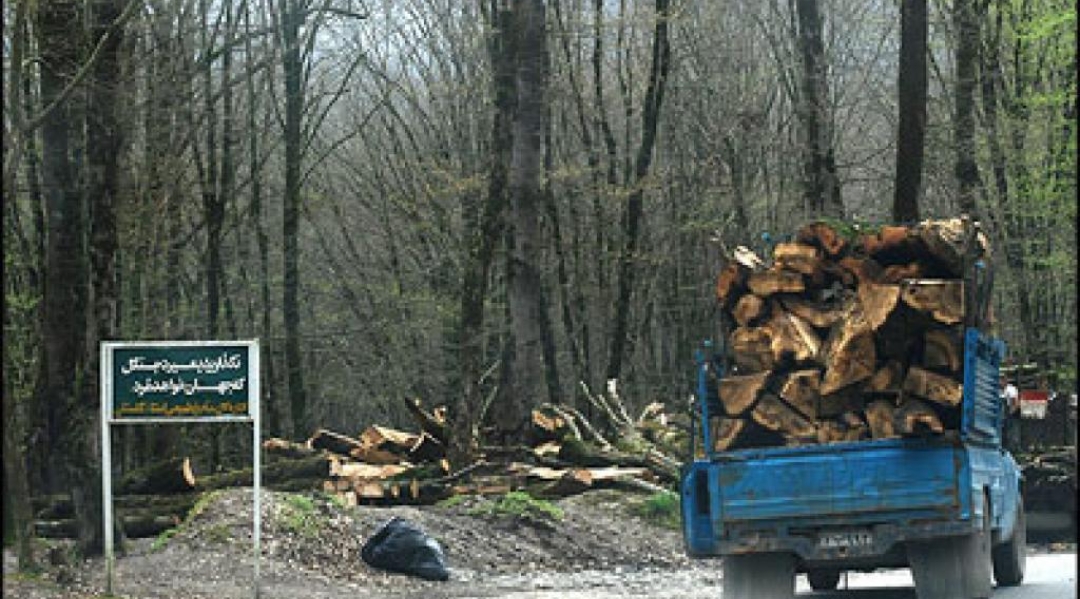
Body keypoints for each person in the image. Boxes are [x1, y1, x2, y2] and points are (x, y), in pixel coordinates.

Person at [1000, 375, 1020, 450]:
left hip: (1010, 412)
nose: (1000, 382)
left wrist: (1010, 413)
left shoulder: (1011, 389)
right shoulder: (998, 390)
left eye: (1002, 380)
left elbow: (1014, 402)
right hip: (1002, 412)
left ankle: (1011, 447)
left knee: (1011, 431)